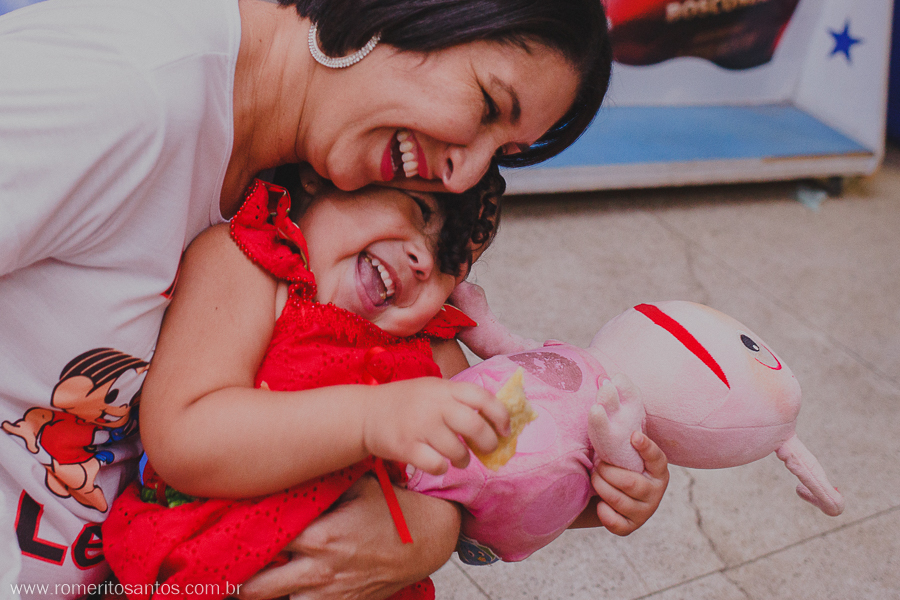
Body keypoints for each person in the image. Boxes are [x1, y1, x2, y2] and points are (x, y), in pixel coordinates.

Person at [0, 0, 668, 597]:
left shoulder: (322, 179)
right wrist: (376, 424)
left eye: (503, 151)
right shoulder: (120, 93)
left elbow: (478, 455)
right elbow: (188, 436)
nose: (464, 175)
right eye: (488, 105)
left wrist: (523, 498)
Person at [100, 166, 506, 600]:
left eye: (450, 262)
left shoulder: (432, 355)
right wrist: (370, 418)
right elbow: (181, 440)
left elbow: (484, 493)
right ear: (325, 177)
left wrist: (433, 533)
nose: (424, 261)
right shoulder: (249, 262)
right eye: (418, 209)